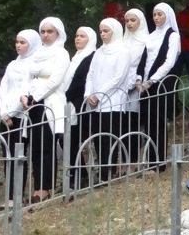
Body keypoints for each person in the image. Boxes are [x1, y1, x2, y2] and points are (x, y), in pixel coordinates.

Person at [22, 17, 70, 203]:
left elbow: (55, 80)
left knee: (46, 145)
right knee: (35, 146)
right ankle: (37, 186)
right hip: (33, 104)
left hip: (50, 101)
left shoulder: (61, 53)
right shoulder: (37, 53)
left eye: (50, 31)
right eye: (43, 31)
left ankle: (46, 187)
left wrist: (35, 95)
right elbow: (28, 77)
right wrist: (25, 95)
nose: (46, 35)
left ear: (58, 33)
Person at [0, 29, 40, 206]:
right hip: (6, 115)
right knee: (7, 156)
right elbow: (3, 88)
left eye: (23, 42)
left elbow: (27, 90)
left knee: (18, 155)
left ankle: (17, 195)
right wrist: (3, 112)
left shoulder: (35, 64)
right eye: (17, 42)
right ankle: (10, 195)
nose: (18, 45)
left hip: (21, 116)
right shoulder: (12, 64)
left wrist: (13, 112)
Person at [84, 18, 131, 180]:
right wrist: (89, 94)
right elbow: (90, 74)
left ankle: (108, 171)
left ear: (115, 31)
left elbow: (118, 77)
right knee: (98, 138)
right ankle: (102, 170)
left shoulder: (123, 51)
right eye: (101, 31)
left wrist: (99, 95)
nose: (103, 34)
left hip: (113, 101)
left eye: (106, 31)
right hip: (96, 103)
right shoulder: (99, 51)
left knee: (109, 138)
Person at [135, 2, 180, 166]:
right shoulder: (151, 36)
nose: (156, 18)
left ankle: (158, 163)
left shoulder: (173, 36)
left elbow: (169, 62)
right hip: (145, 85)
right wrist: (139, 79)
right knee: (148, 123)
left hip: (160, 84)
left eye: (160, 14)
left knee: (158, 123)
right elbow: (144, 59)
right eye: (154, 14)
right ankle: (149, 161)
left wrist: (152, 80)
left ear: (167, 16)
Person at [62, 26, 97, 188]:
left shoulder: (91, 56)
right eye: (76, 35)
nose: (78, 38)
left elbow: (80, 81)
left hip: (81, 103)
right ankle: (79, 174)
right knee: (68, 140)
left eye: (82, 36)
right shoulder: (75, 57)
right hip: (70, 103)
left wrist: (66, 96)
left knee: (73, 139)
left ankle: (78, 176)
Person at [122, 9, 149, 164]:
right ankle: (125, 158)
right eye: (127, 21)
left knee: (134, 122)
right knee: (123, 123)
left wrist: (135, 81)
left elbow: (142, 64)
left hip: (137, 85)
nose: (129, 24)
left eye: (133, 20)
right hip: (122, 86)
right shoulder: (123, 40)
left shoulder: (146, 40)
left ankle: (134, 159)